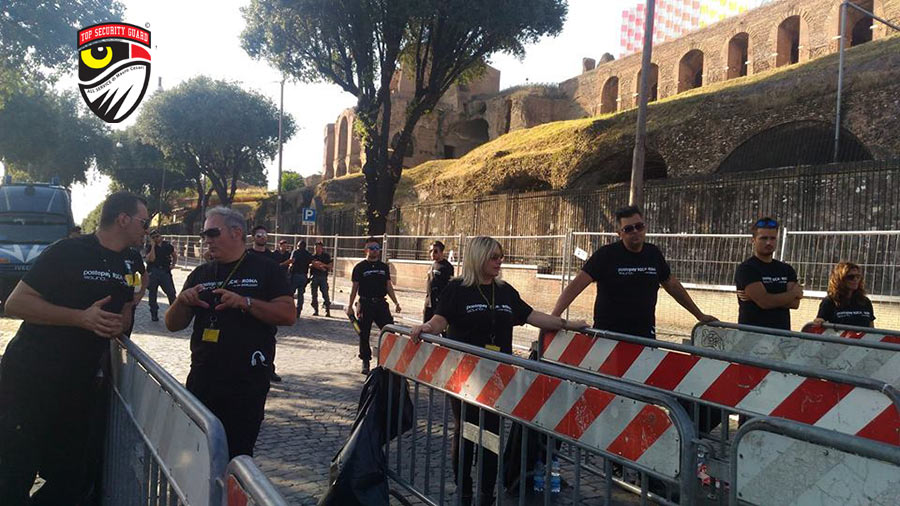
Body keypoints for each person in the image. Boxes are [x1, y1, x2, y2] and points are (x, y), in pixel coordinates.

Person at [410, 236, 587, 506]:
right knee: (466, 431)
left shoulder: (504, 291)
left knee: (491, 436)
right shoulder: (457, 289)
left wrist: (567, 324)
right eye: (494, 257)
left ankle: (486, 494)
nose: (499, 261)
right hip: (464, 376)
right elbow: (440, 320)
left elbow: (532, 316)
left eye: (500, 256)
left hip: (498, 378)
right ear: (478, 258)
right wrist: (426, 328)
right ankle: (464, 491)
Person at [0, 192, 148, 504]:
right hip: (31, 376)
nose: (146, 229)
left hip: (80, 383)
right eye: (143, 222)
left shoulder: (132, 260)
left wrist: (122, 321)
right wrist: (80, 318)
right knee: (16, 465)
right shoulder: (67, 251)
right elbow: (16, 303)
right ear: (123, 219)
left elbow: (129, 303)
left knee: (70, 473)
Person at [165, 207, 294, 458]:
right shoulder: (200, 273)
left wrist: (245, 302)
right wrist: (181, 302)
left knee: (236, 455)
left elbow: (288, 314)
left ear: (236, 232)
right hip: (203, 378)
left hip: (246, 382)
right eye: (204, 234)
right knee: (197, 454)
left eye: (213, 233)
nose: (207, 240)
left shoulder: (267, 269)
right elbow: (172, 324)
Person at [551, 205, 715, 338]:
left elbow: (672, 285)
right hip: (608, 336)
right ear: (620, 234)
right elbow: (576, 286)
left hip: (644, 335)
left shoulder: (653, 253)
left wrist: (699, 315)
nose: (635, 231)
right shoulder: (606, 255)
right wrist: (554, 317)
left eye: (639, 226)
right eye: (629, 229)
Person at [346, 238, 402, 374]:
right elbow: (354, 288)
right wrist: (350, 306)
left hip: (381, 304)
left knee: (389, 331)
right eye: (372, 248)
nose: (375, 251)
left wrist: (396, 302)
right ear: (366, 250)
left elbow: (389, 286)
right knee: (363, 333)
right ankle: (365, 360)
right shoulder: (360, 267)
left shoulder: (384, 267)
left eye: (377, 248)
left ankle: (388, 360)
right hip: (365, 303)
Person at [735, 217, 802, 330]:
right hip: (751, 335)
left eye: (772, 238)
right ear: (753, 240)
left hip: (781, 335)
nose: (768, 242)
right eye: (763, 238)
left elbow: (795, 304)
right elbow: (765, 302)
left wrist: (763, 298)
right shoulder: (747, 269)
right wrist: (792, 293)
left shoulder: (786, 269)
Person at [813, 261, 875, 328]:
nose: (855, 279)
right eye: (851, 277)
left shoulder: (865, 301)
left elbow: (871, 328)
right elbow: (820, 322)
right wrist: (819, 321)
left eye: (858, 276)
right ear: (840, 279)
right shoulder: (830, 301)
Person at [146, 229, 178, 322]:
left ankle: (174, 313)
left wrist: (173, 264)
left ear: (161, 236)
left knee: (171, 293)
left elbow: (174, 255)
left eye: (157, 236)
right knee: (152, 294)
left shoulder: (167, 245)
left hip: (165, 271)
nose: (156, 238)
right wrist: (153, 246)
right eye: (153, 237)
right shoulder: (149, 247)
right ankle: (154, 313)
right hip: (153, 271)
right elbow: (151, 259)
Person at [424, 240, 454, 324]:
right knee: (425, 325)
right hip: (429, 301)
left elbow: (449, 286)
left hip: (438, 303)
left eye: (435, 251)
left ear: (441, 252)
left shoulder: (447, 267)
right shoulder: (432, 265)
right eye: (431, 251)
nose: (432, 253)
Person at [309, 240, 333, 317]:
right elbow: (309, 264)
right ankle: (315, 310)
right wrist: (316, 265)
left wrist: (322, 265)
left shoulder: (326, 256)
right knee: (314, 294)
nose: (317, 249)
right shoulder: (312, 256)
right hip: (314, 276)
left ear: (322, 248)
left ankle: (327, 310)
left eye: (319, 247)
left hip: (323, 277)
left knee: (325, 294)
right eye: (316, 247)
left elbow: (330, 266)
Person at [291, 240, 313, 316]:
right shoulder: (307, 254)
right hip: (303, 275)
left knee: (291, 293)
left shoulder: (295, 252)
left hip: (295, 275)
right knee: (301, 295)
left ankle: (291, 309)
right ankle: (299, 310)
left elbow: (292, 261)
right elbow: (311, 264)